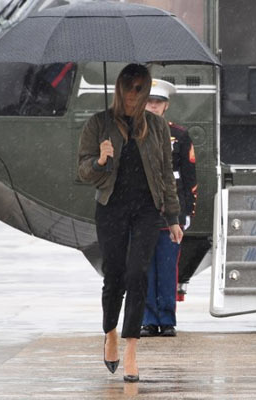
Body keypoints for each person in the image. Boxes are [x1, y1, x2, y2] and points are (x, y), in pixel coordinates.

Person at [77, 64, 183, 382]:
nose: (134, 94)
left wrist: (174, 217)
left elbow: (166, 174)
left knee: (138, 275)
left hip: (147, 211)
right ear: (120, 88)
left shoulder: (156, 126)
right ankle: (110, 332)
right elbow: (83, 171)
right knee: (115, 276)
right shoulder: (99, 124)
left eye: (140, 88)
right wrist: (100, 159)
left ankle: (132, 349)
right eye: (129, 87)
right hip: (111, 210)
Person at [140, 78, 197, 338]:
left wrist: (186, 214)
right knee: (144, 269)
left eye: (158, 102)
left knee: (167, 268)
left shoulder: (180, 136)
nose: (153, 107)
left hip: (170, 213)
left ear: (166, 106)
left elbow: (189, 178)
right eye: (149, 101)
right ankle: (148, 319)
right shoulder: (132, 133)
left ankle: (167, 319)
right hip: (142, 212)